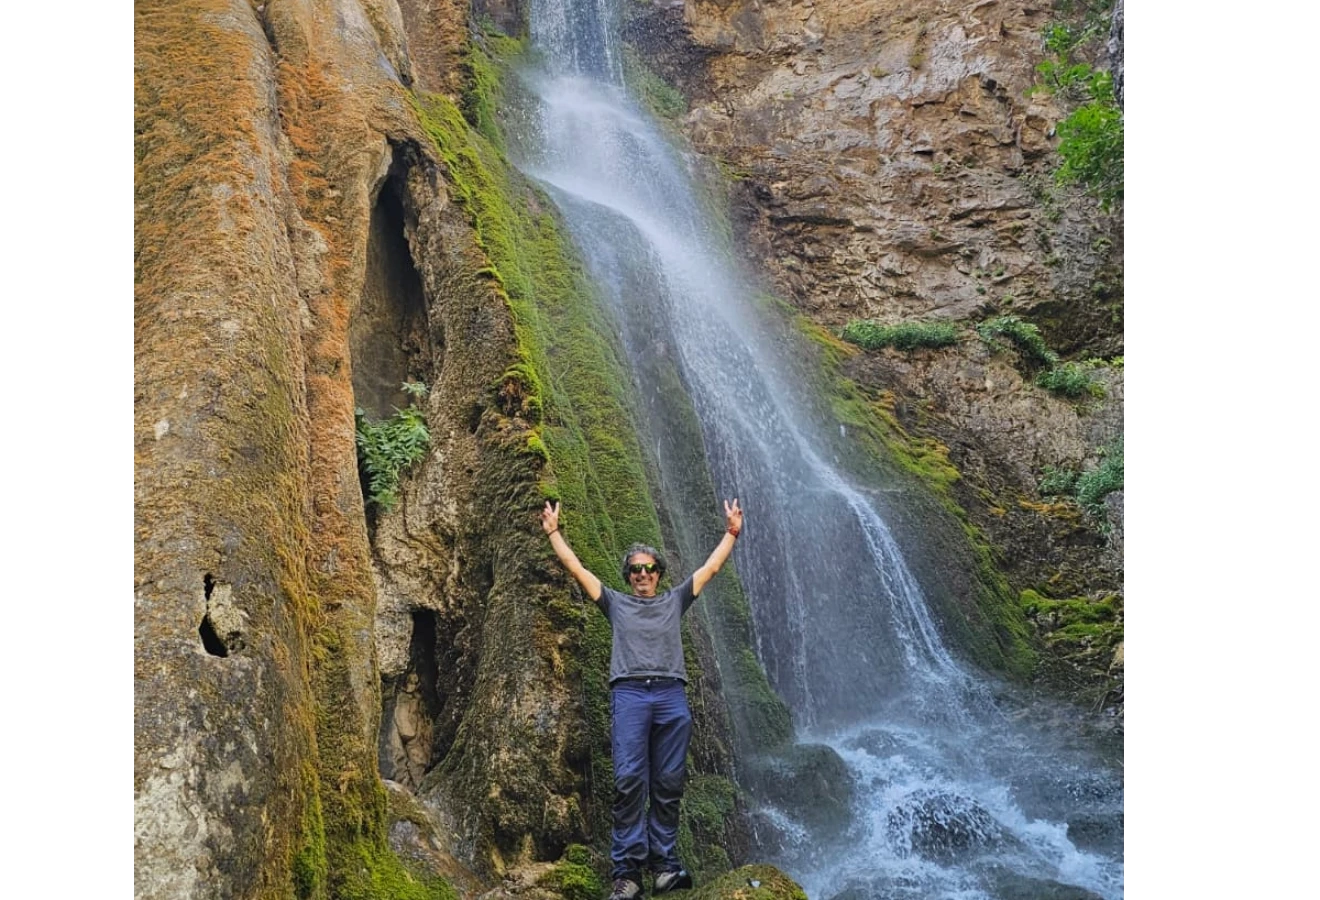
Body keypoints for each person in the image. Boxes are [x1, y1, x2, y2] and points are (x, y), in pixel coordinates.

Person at [541, 497, 744, 900]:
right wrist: (553, 532)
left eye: (649, 568)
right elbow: (576, 568)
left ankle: (665, 867)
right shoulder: (615, 604)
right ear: (628, 575)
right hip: (630, 693)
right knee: (630, 781)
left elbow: (712, 568)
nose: (642, 574)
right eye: (635, 569)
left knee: (668, 783)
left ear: (659, 574)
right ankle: (627, 874)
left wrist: (732, 532)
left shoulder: (675, 600)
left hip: (671, 694)